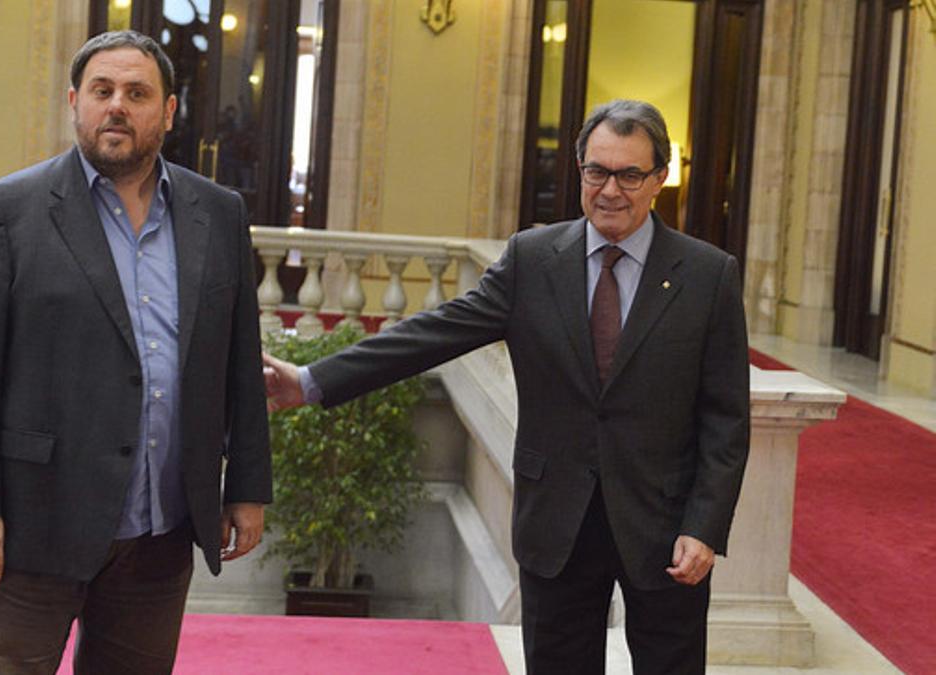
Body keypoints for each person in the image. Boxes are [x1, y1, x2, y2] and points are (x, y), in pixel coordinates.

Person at [263, 99, 750, 674]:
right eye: (596, 171)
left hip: (665, 528)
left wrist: (704, 527)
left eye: (629, 174)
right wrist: (313, 381)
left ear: (658, 179)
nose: (610, 189)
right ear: (579, 170)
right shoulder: (534, 260)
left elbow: (725, 419)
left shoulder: (708, 275)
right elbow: (431, 333)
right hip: (557, 522)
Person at [0, 30, 271, 675]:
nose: (117, 105)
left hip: (162, 529)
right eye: (102, 90)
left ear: (168, 112)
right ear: (75, 102)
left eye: (137, 93)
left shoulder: (218, 213)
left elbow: (238, 359)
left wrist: (247, 487)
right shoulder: (9, 209)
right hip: (34, 527)